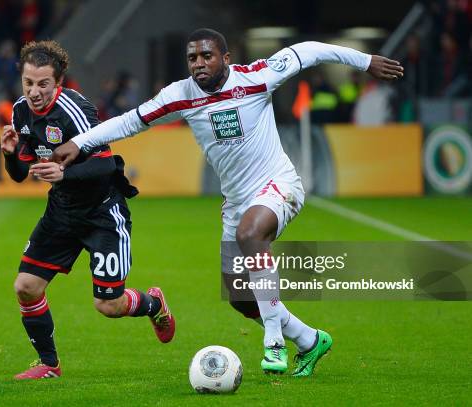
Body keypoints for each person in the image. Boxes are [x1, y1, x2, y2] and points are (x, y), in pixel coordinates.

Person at [52, 28, 403, 377]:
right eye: (193, 58)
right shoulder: (181, 95)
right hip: (235, 202)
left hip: (278, 184)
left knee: (251, 234)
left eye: (207, 56)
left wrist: (365, 60)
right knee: (240, 297)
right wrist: (81, 143)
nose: (199, 64)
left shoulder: (258, 76)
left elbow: (309, 50)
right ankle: (310, 340)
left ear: (226, 58)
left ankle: (275, 342)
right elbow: (131, 121)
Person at [1, 40, 175, 380]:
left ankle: (154, 304)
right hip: (61, 212)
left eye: (43, 84)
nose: (34, 92)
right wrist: (9, 154)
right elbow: (21, 174)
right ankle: (49, 365)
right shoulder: (20, 111)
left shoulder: (76, 110)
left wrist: (63, 173)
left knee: (108, 305)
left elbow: (106, 165)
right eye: (28, 83)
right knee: (25, 286)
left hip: (102, 214)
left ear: (59, 82)